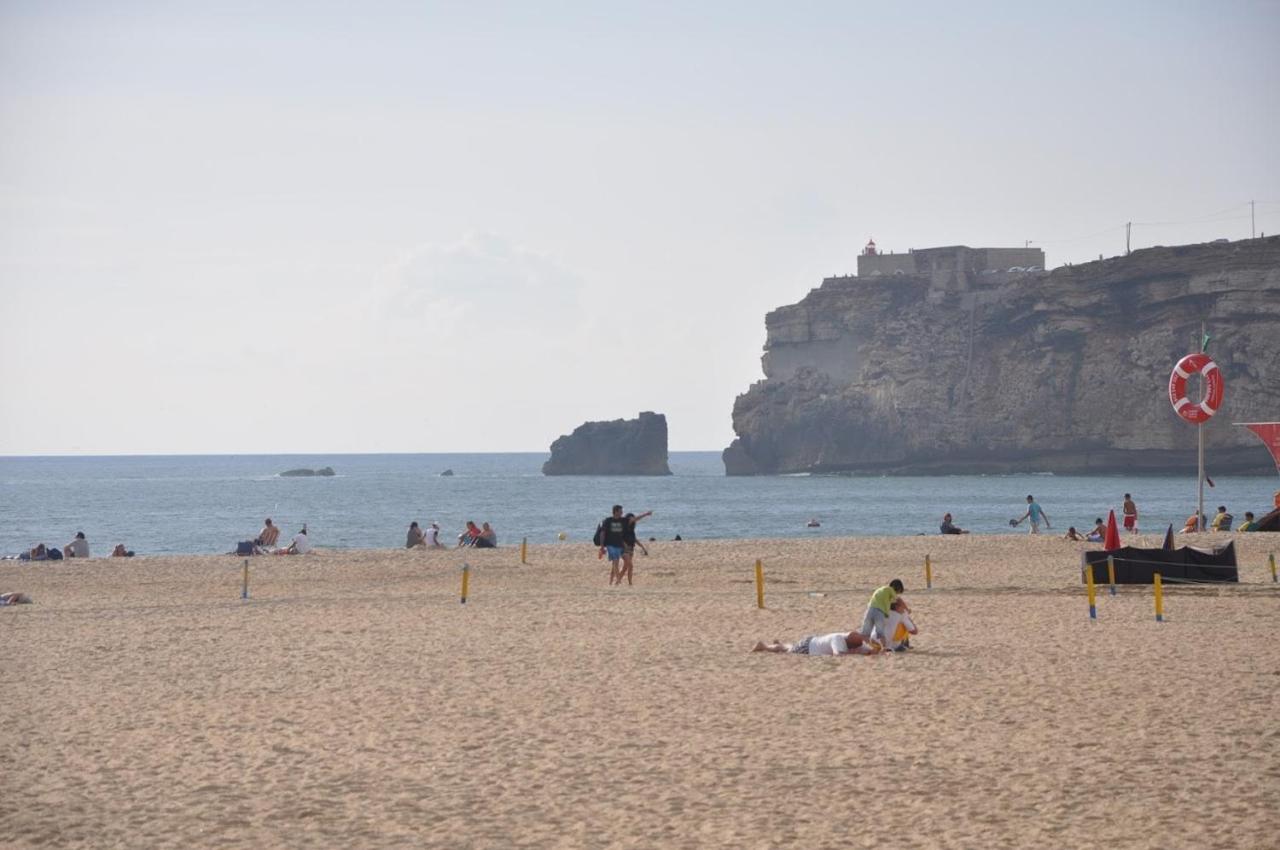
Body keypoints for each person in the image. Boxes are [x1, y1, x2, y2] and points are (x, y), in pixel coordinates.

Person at [752, 630, 880, 656]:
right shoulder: (838, 639)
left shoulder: (854, 641)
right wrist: (855, 653)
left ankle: (779, 644)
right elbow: (838, 655)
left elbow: (866, 649)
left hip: (813, 641)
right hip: (808, 647)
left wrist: (874, 650)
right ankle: (765, 646)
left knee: (789, 647)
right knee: (788, 650)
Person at [859, 579, 905, 647]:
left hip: (870, 609)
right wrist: (906, 609)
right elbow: (898, 600)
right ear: (897, 588)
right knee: (880, 633)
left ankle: (865, 647)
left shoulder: (880, 590)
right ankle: (884, 648)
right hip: (879, 612)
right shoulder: (890, 590)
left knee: (865, 632)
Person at [617, 510, 653, 586]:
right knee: (629, 565)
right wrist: (646, 514)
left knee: (626, 567)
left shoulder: (631, 530)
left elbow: (635, 539)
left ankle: (622, 581)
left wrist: (643, 547)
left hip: (631, 549)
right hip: (623, 549)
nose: (632, 520)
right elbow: (620, 538)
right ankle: (626, 582)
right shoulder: (624, 527)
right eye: (631, 519)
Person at [598, 505, 629, 585]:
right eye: (620, 511)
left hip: (619, 545)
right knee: (615, 561)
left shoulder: (622, 521)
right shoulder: (608, 521)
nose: (622, 513)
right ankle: (618, 580)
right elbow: (602, 533)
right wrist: (602, 547)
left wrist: (645, 514)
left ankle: (611, 582)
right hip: (610, 545)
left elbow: (633, 520)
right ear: (616, 512)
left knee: (622, 562)